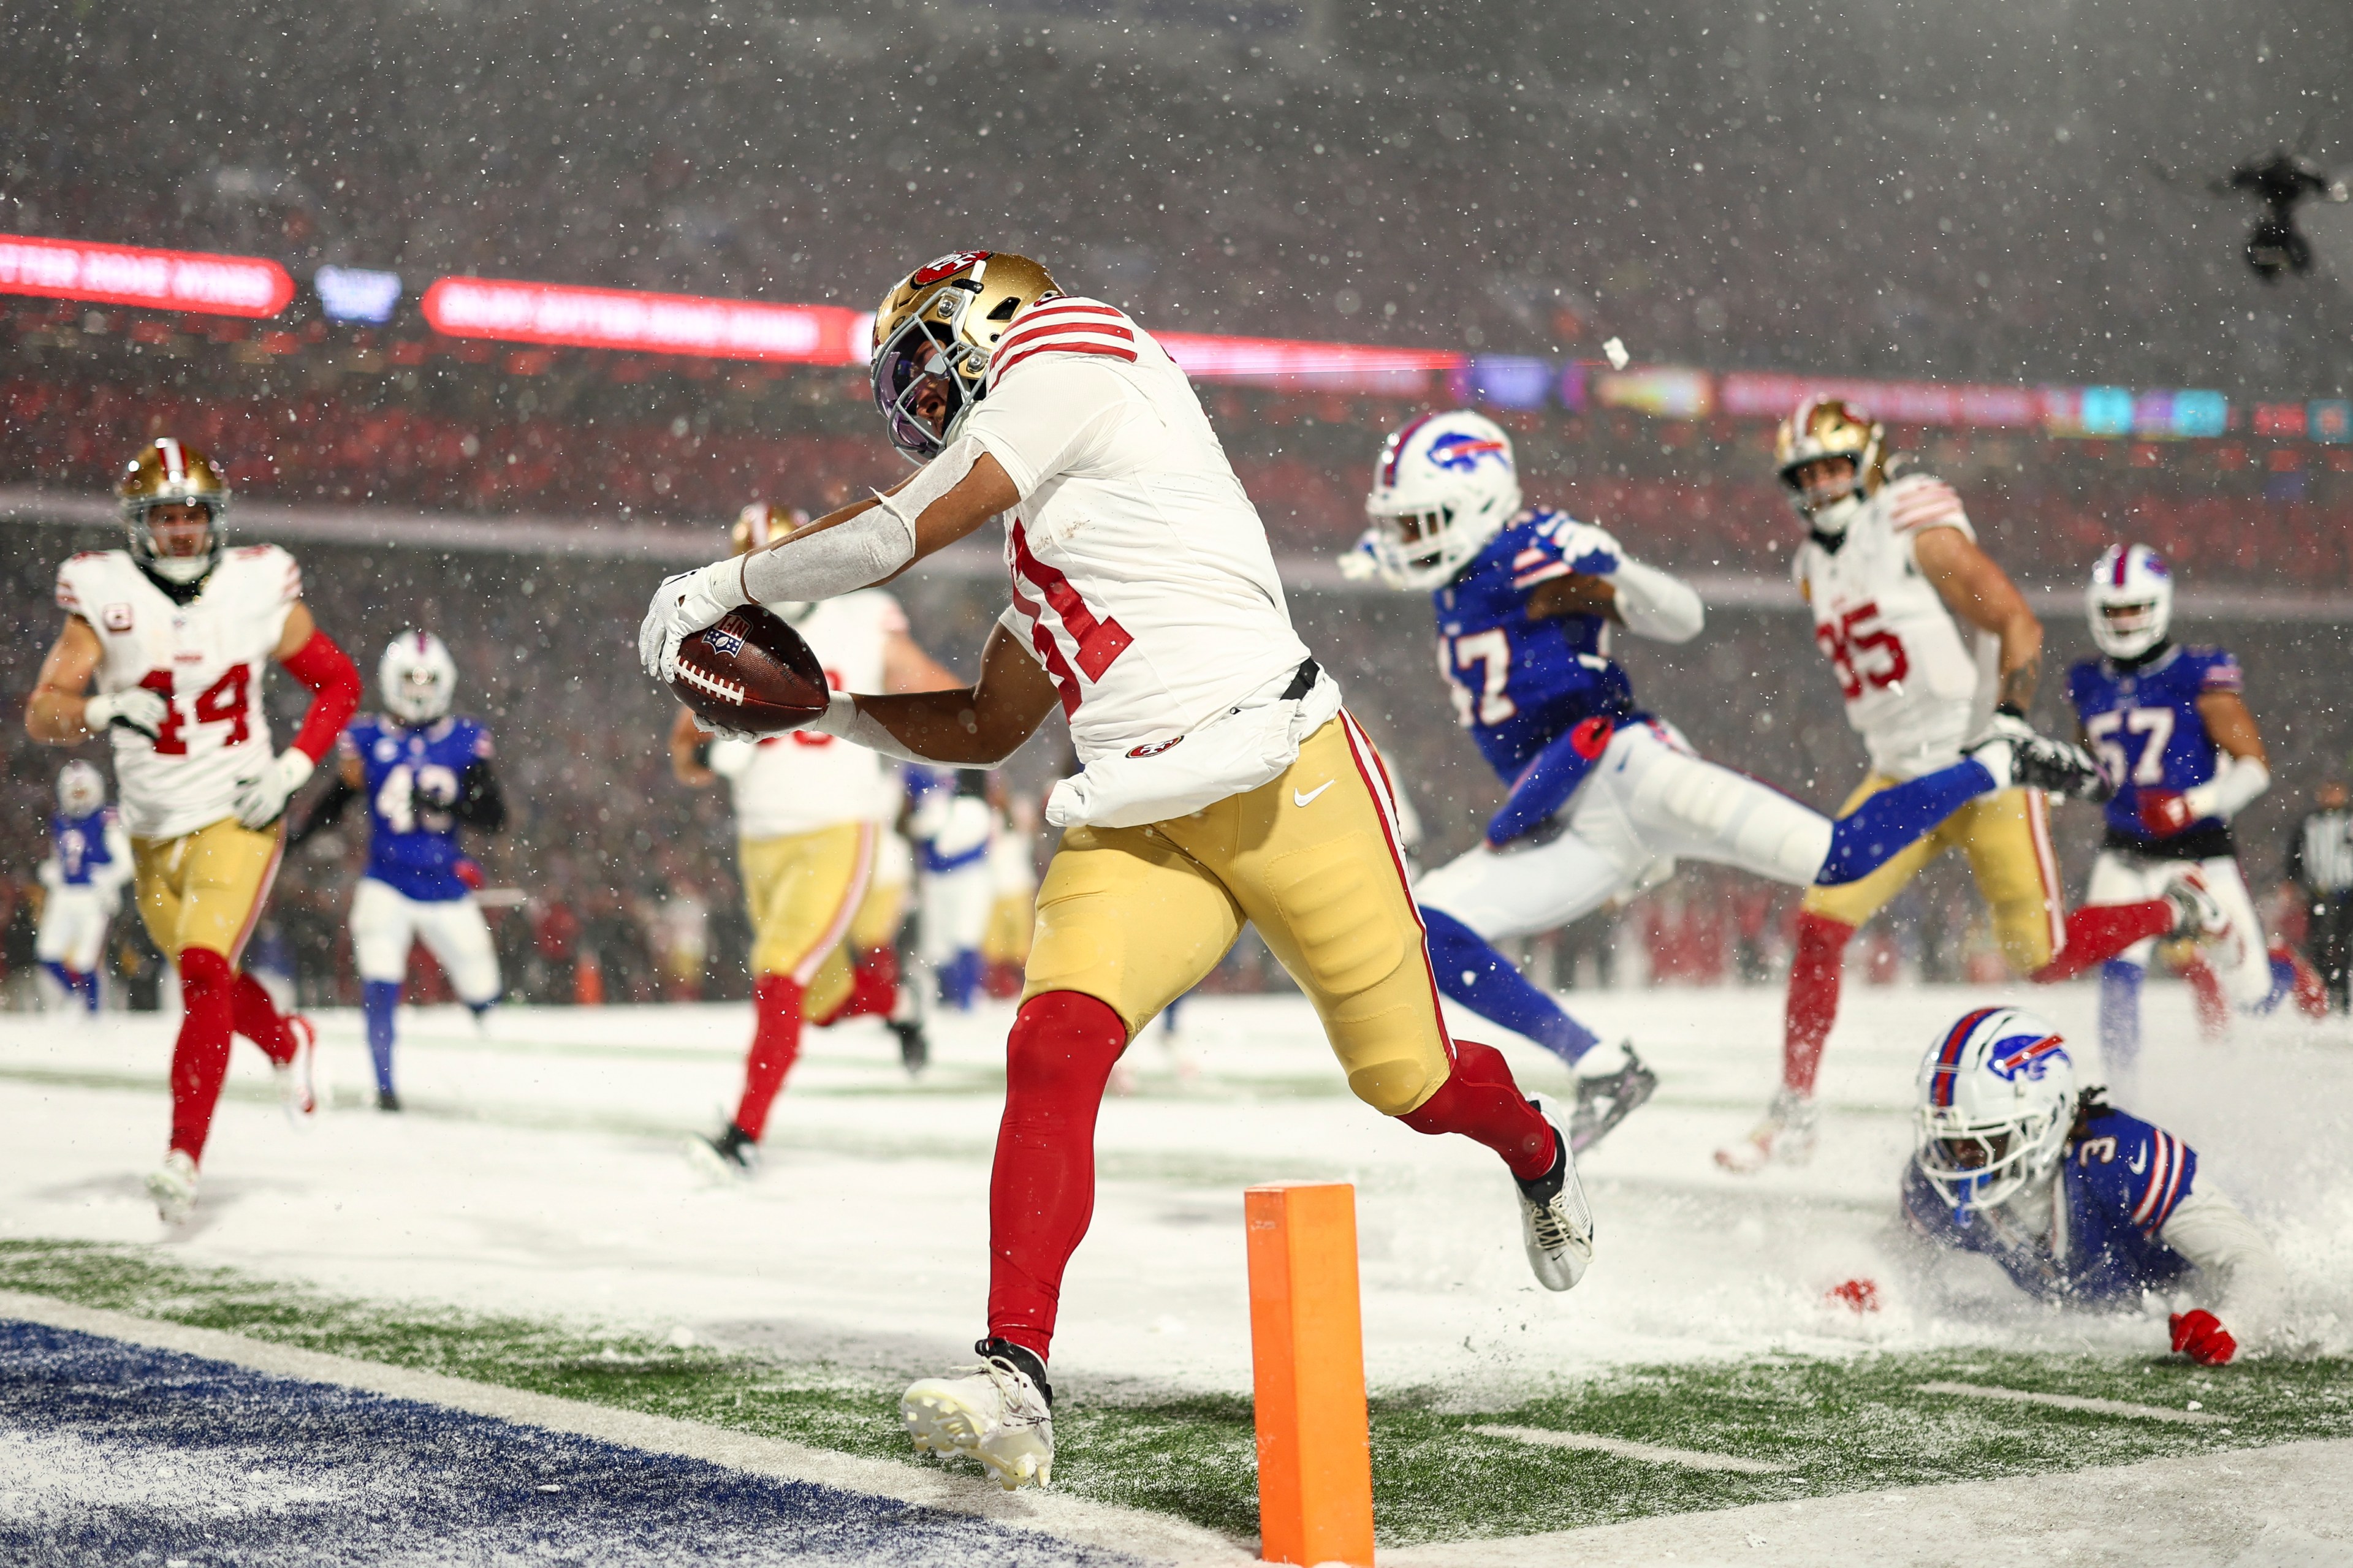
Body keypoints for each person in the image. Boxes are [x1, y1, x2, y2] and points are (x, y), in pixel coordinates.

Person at [641, 250, 1592, 1491]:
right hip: (1141, 816)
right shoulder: (1046, 533)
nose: (915, 393)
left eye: (924, 357)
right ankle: (1013, 1375)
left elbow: (889, 535)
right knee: (1051, 1045)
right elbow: (985, 725)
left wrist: (717, 583)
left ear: (984, 318)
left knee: (1407, 1080)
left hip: (1282, 771)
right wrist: (826, 713)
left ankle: (1535, 1150)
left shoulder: (1078, 342)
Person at [1346, 410, 2104, 1154]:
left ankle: (1999, 765)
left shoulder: (1536, 558)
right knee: (1423, 929)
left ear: (1475, 506)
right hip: (1572, 813)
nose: (1403, 541)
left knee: (1835, 859)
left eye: (1417, 523)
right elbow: (1390, 559)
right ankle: (1603, 1067)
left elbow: (1682, 619)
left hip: (1631, 769)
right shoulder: (1461, 567)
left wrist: (1612, 567)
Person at [1726, 399, 2227, 1173]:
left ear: (1867, 462)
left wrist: (2007, 725)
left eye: (1832, 467)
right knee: (1819, 927)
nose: (1820, 485)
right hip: (1898, 776)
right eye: (1805, 474)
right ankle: (1793, 1109)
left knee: (2043, 955)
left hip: (1978, 772)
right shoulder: (1808, 567)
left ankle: (2179, 905)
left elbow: (2015, 622)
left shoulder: (1907, 520)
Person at [26, 437, 362, 1222]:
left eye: (194, 515)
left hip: (236, 811)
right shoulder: (101, 595)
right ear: (137, 524)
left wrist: (288, 770)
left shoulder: (254, 586)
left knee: (203, 973)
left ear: (218, 519)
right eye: (166, 516)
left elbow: (337, 681)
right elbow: (45, 711)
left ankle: (183, 1157)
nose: (182, 531)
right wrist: (101, 709)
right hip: (148, 827)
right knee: (211, 978)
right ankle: (286, 1043)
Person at [671, 503, 960, 1177]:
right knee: (820, 1002)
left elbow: (939, 692)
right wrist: (711, 758)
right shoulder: (720, 639)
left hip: (836, 827)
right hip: (761, 840)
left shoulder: (859, 621)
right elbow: (683, 754)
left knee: (779, 974)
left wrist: (1005, 721)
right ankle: (897, 1004)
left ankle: (742, 1136)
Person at [1900, 1005, 2285, 1365]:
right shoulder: (1936, 1177)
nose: (1961, 1155)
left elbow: (2254, 1263)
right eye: (1950, 1137)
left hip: (2192, 1284)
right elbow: (1906, 1259)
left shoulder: (2120, 1158)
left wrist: (2232, 1323)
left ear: (2046, 1119)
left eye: (1987, 1136)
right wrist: (1872, 1284)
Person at [2067, 546, 2280, 1079]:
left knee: (2254, 995)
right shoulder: (2087, 681)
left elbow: (2254, 768)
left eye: (2134, 608)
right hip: (2123, 850)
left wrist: (2192, 804)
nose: (2123, 621)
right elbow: (2092, 767)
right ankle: (2124, 1100)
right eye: (2113, 610)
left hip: (2198, 848)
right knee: (2117, 977)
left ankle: (2286, 973)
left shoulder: (2196, 673)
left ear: (2159, 605)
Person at [289, 631, 506, 1110]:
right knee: (379, 977)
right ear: (392, 679)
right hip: (386, 879)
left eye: (429, 677)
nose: (421, 686)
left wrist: (452, 801)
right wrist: (295, 837)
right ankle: (385, 1086)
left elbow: (495, 817)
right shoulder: (366, 738)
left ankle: (496, 1058)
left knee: (482, 985)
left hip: (445, 884)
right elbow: (336, 801)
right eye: (411, 676)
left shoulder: (465, 739)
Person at [34, 760, 132, 1015]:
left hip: (92, 897)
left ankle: (93, 1012)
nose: (78, 798)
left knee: (86, 960)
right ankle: (77, 997)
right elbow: (61, 858)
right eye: (74, 793)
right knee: (48, 953)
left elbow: (127, 865)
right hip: (65, 894)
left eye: (83, 792)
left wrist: (105, 878)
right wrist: (53, 872)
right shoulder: (61, 820)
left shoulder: (105, 820)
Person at [2289, 779, 2353, 1013]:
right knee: (2319, 944)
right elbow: (2296, 854)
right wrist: (2292, 881)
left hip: (2348, 891)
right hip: (2320, 891)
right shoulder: (2310, 823)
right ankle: (2321, 994)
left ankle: (2342, 994)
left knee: (2344, 944)